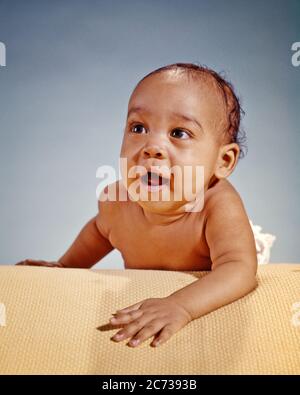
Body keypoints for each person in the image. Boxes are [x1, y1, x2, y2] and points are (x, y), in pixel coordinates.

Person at [17, 63, 258, 348]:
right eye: (138, 127)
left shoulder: (217, 206)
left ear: (224, 161)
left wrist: (181, 306)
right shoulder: (117, 201)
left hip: (214, 276)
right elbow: (99, 231)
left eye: (179, 133)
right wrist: (66, 265)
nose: (152, 146)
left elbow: (239, 269)